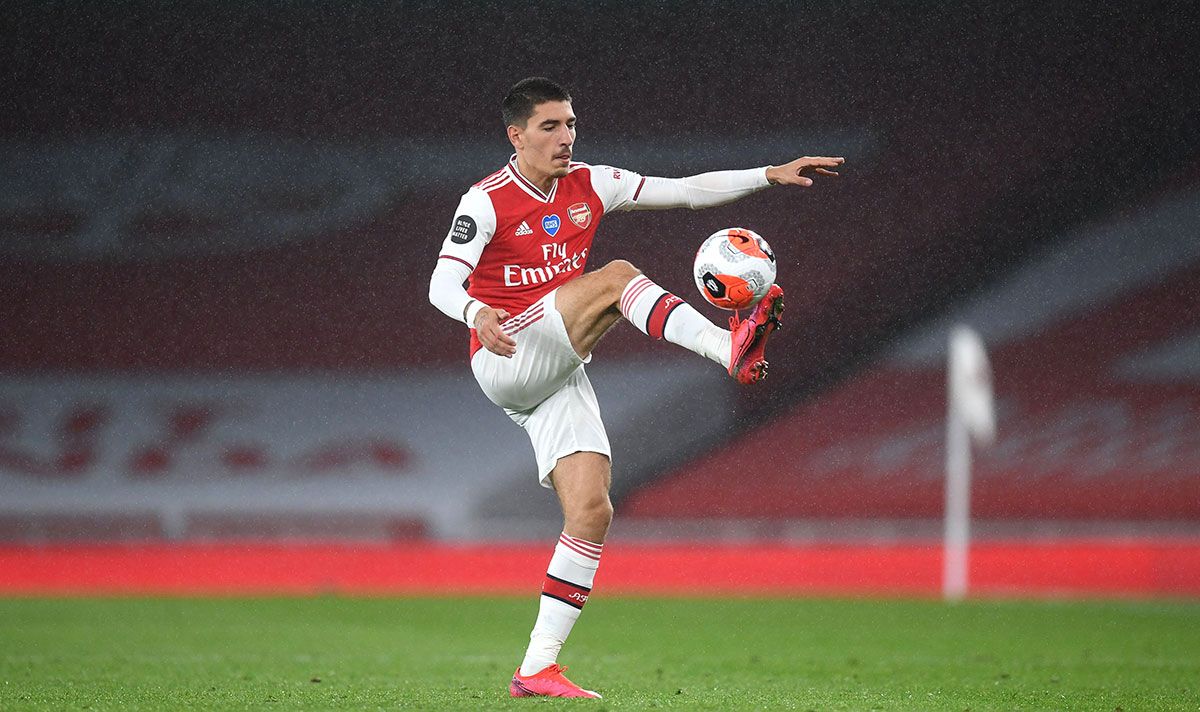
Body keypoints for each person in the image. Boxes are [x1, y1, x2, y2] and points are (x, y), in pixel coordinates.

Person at [428, 77, 842, 699]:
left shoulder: (591, 184)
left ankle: (537, 667)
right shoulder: (485, 201)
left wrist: (767, 174)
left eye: (570, 124)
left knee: (592, 511)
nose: (565, 137)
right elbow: (441, 282)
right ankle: (728, 349)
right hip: (506, 354)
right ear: (516, 136)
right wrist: (475, 314)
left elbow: (684, 192)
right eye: (550, 127)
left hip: (558, 372)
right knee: (617, 277)